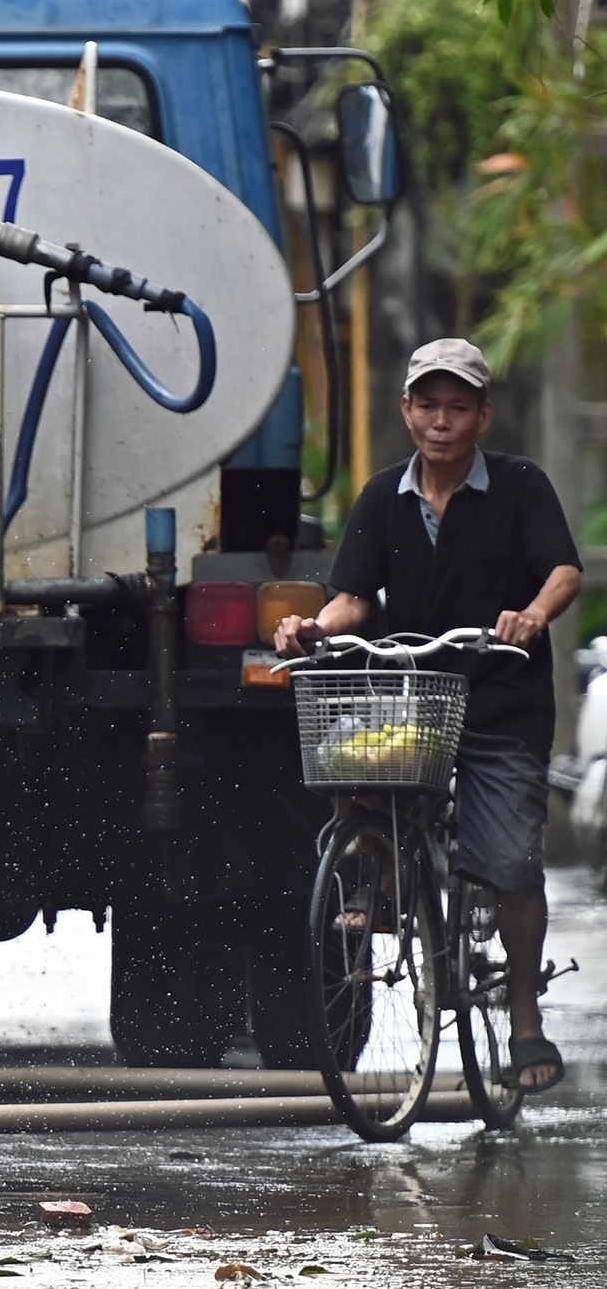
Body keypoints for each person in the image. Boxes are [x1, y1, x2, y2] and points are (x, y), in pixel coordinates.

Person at [274, 337, 582, 1093]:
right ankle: (378, 872)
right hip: (415, 701)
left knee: (511, 861)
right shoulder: (384, 496)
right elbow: (353, 598)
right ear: (407, 411)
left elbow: (563, 570)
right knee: (348, 752)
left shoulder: (520, 485)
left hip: (503, 702)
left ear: (483, 416)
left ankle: (523, 1016)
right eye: (428, 405)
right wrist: (316, 626)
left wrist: (533, 615)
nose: (442, 421)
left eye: (458, 407)